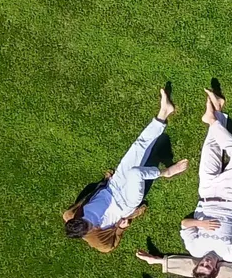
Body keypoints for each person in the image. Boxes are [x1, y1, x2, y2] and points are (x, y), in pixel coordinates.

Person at [62, 88, 188, 252]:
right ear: (86, 233)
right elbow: (108, 247)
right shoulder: (94, 238)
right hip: (126, 203)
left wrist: (104, 181)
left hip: (113, 186)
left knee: (138, 147)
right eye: (89, 226)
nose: (90, 222)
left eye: (85, 220)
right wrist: (121, 228)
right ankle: (167, 172)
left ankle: (164, 112)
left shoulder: (72, 215)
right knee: (136, 173)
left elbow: (86, 195)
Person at [179, 89, 232, 262]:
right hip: (230, 197)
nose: (206, 263)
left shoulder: (195, 250)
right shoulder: (231, 255)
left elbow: (184, 224)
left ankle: (217, 110)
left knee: (211, 148)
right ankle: (213, 118)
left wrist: (200, 224)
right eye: (208, 267)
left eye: (201, 266)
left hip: (206, 195)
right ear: (215, 269)